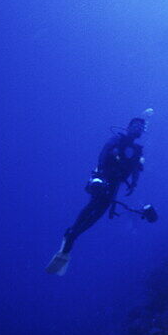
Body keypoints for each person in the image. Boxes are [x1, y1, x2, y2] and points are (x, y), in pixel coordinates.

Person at [47, 116, 155, 275]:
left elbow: (136, 169)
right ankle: (72, 233)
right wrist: (101, 174)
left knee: (100, 211)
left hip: (115, 183)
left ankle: (73, 234)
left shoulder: (138, 150)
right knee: (94, 205)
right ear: (129, 126)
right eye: (136, 125)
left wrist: (134, 184)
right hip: (104, 179)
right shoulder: (117, 139)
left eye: (142, 127)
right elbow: (103, 154)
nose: (139, 128)